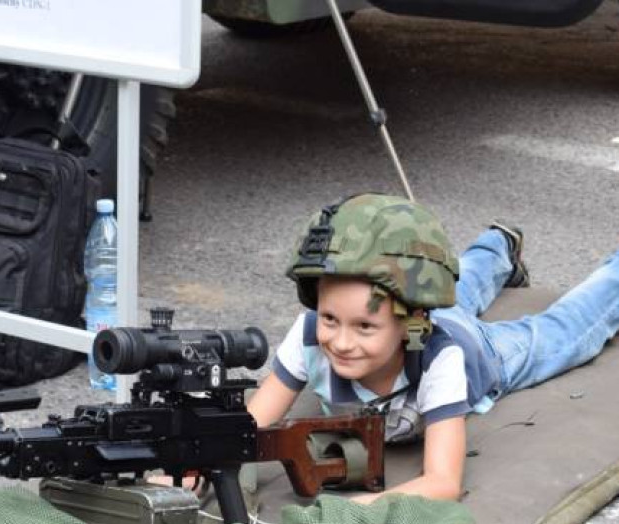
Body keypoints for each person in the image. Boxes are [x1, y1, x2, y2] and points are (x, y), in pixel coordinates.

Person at [248, 192, 619, 502]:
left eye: (364, 326)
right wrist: (197, 469)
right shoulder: (309, 333)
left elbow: (443, 482)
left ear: (414, 320)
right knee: (457, 286)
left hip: (482, 350)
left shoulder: (440, 360)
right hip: (422, 316)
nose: (341, 342)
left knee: (565, 332)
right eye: (330, 319)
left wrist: (365, 507)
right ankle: (498, 243)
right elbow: (249, 428)